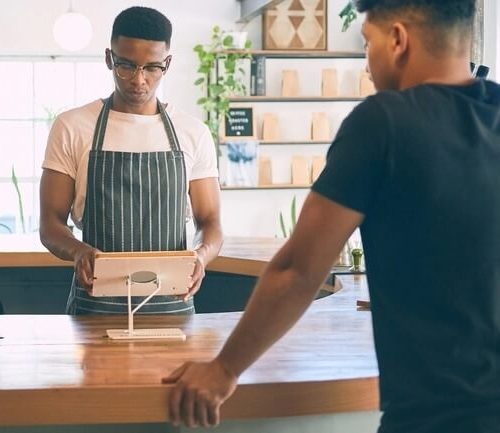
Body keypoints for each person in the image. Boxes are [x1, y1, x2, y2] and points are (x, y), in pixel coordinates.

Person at [164, 0, 500, 431]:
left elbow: (297, 271)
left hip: (438, 416)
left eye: (367, 44)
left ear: (398, 40)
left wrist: (223, 369)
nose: (367, 65)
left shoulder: (384, 123)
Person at [39, 6, 223, 315]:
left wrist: (200, 257)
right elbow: (49, 224)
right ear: (109, 58)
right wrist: (78, 250)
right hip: (95, 309)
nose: (139, 79)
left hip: (171, 309)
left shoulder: (193, 132)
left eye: (152, 68)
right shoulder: (72, 127)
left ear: (167, 63)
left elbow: (211, 223)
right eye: (126, 65)